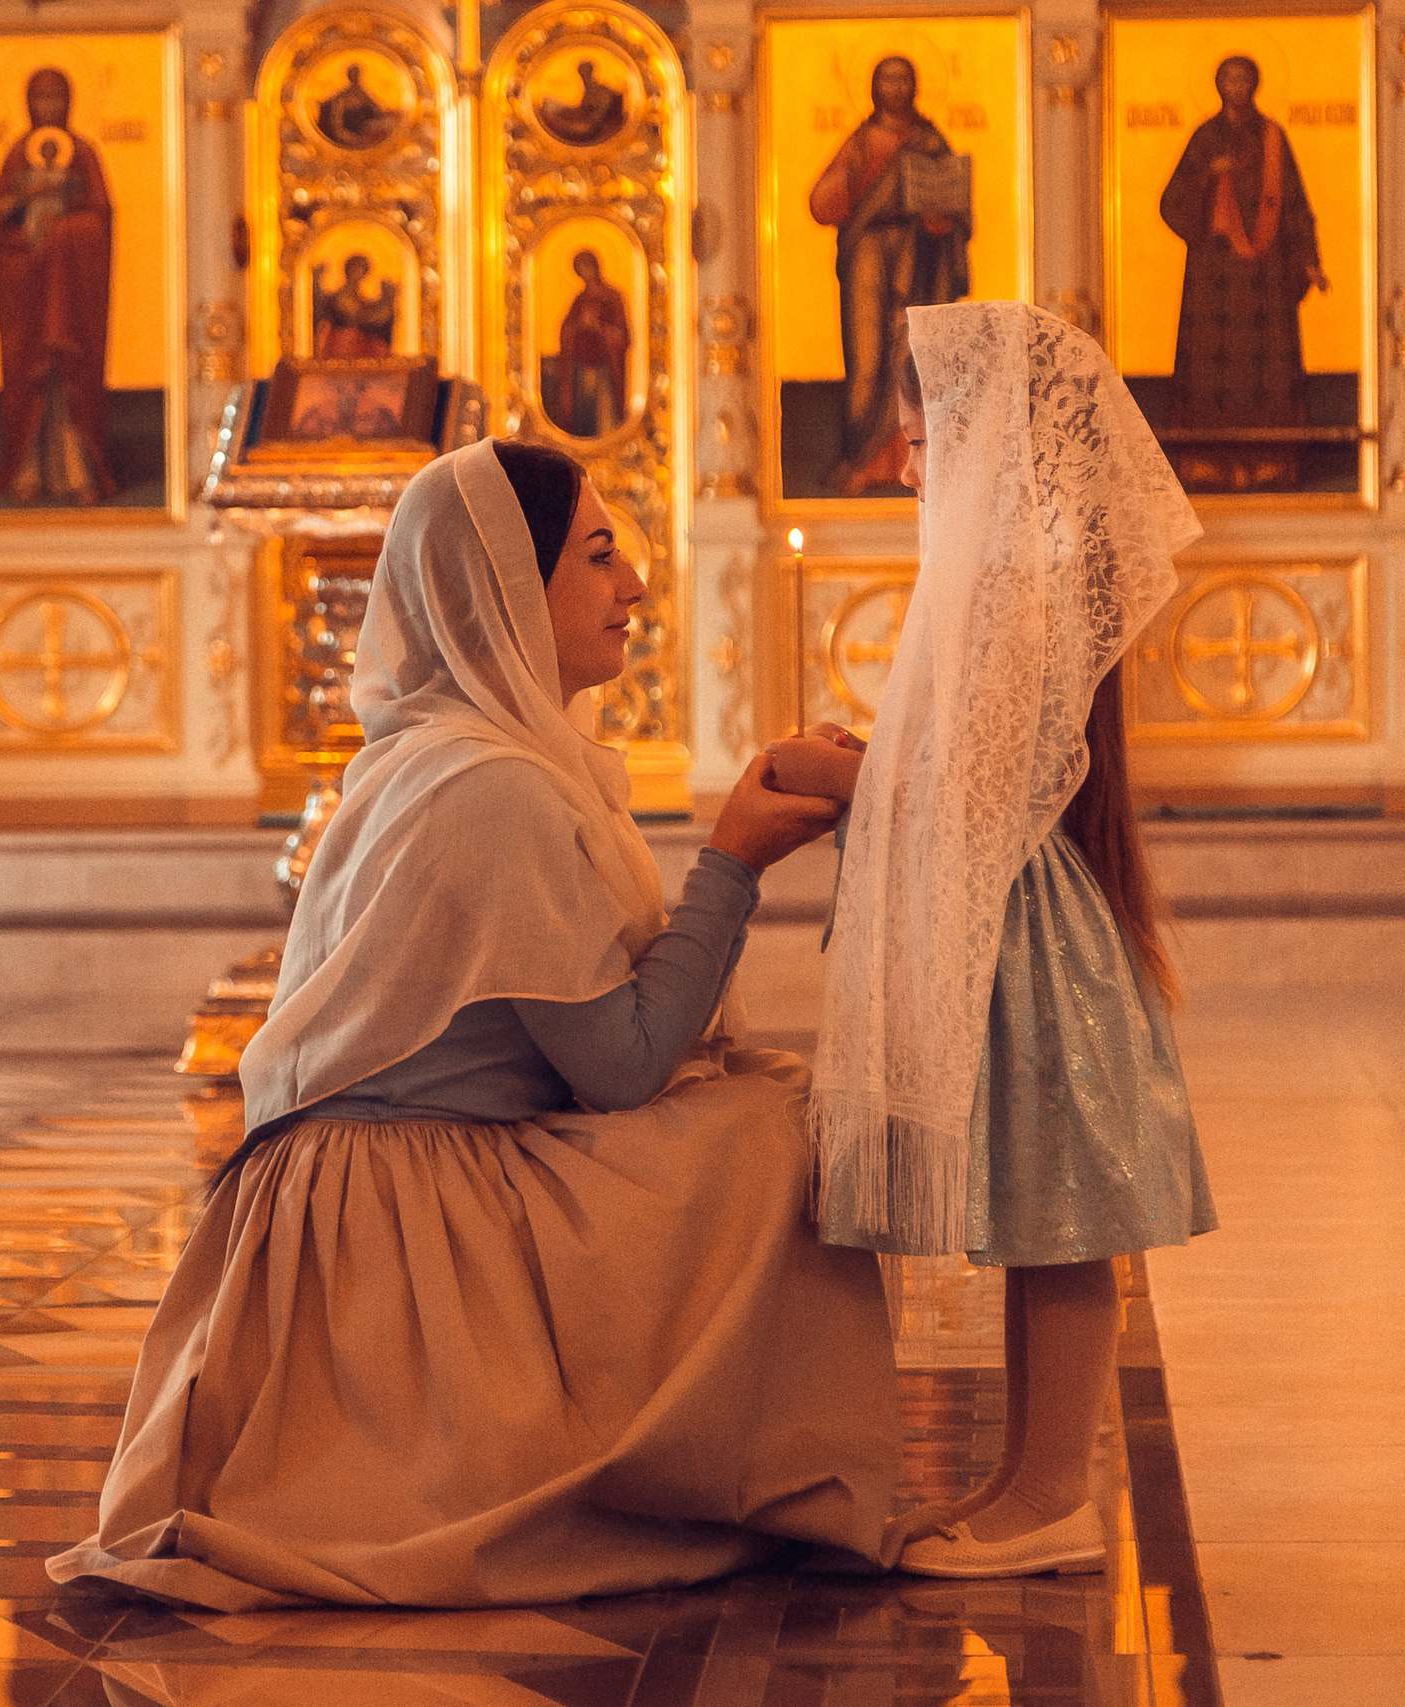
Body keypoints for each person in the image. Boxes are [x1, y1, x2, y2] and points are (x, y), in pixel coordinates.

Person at [49, 439, 900, 1610]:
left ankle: (712, 1470)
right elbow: (623, 1068)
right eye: (599, 556)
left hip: (366, 1197)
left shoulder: (440, 759)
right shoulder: (486, 787)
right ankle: (716, 1476)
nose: (635, 586)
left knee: (748, 1104)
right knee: (767, 1137)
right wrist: (733, 864)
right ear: (506, 588)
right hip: (388, 1222)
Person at [768, 301, 1216, 1577]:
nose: (905, 465)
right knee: (1034, 1208)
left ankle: (1054, 1496)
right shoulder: (1009, 570)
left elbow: (977, 781)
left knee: (1062, 1215)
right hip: (1016, 913)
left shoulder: (1018, 576)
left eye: (918, 438)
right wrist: (873, 761)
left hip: (1028, 928)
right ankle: (1023, 1478)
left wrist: (842, 776)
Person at [1157, 56, 1326, 494]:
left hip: (1265, 275)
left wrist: (1308, 258)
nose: (1236, 86)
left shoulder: (1273, 137)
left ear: (1256, 84)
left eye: (1244, 79)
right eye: (1228, 79)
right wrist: (1206, 178)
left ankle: (1271, 462)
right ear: (1217, 85)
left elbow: (1294, 202)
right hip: (1213, 273)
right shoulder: (1205, 137)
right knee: (1211, 367)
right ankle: (1206, 464)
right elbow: (1171, 200)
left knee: (1265, 366)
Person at [807, 56, 969, 496]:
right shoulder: (861, 141)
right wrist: (857, 181)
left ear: (914, 86)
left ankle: (917, 461)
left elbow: (956, 203)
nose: (895, 88)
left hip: (919, 256)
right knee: (867, 357)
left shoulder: (931, 141)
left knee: (911, 354)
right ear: (874, 87)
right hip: (869, 255)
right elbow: (822, 204)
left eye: (903, 79)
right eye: (886, 79)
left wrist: (944, 219)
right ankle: (861, 461)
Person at [0, 68, 117, 504]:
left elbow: (100, 219)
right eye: (40, 98)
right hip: (28, 291)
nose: (48, 107)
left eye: (56, 98)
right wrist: (24, 212)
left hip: (72, 294)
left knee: (70, 373)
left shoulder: (83, 155)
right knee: (29, 376)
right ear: (28, 104)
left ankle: (79, 472)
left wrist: (64, 233)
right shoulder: (15, 157)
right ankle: (27, 472)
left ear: (69, 103)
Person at [544, 249, 629, 437]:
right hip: (581, 368)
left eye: (587, 268)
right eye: (580, 270)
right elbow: (566, 331)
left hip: (605, 369)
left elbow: (622, 335)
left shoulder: (613, 297)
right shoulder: (579, 300)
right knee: (583, 412)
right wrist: (579, 326)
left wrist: (597, 326)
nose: (585, 274)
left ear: (595, 267)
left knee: (604, 413)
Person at [311, 253, 396, 357]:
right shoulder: (335, 298)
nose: (358, 274)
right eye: (355, 269)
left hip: (361, 345)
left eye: (362, 271)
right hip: (340, 345)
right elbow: (324, 325)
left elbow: (371, 322)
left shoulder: (364, 301)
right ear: (348, 271)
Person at [537, 59, 626, 146]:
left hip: (591, 127)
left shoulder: (601, 90)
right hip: (586, 121)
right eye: (582, 74)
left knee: (557, 121)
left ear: (592, 72)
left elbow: (597, 117)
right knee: (549, 103)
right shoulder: (588, 90)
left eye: (586, 73)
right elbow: (585, 109)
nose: (584, 76)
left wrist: (579, 117)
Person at [316, 63, 399, 150]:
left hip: (368, 130)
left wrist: (386, 113)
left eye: (357, 74)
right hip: (353, 135)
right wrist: (353, 139)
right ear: (349, 77)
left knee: (389, 124)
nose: (356, 77)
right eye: (353, 74)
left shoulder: (363, 93)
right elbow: (337, 124)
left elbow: (377, 108)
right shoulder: (342, 97)